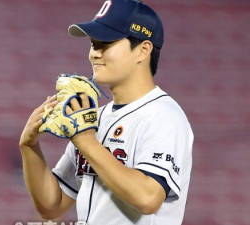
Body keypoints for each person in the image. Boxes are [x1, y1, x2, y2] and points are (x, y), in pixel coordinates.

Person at [19, 0, 193, 224]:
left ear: (143, 50)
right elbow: (53, 206)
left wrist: (85, 139)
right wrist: (29, 147)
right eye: (93, 43)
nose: (94, 54)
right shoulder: (95, 118)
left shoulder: (164, 116)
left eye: (106, 43)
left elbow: (149, 197)